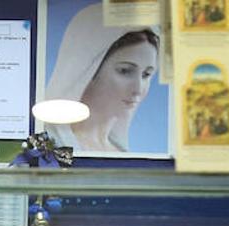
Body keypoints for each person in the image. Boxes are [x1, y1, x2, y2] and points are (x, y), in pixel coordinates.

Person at [45, 3, 159, 153]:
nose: (138, 89)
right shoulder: (49, 144)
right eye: (125, 71)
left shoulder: (121, 152)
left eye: (146, 75)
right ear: (88, 69)